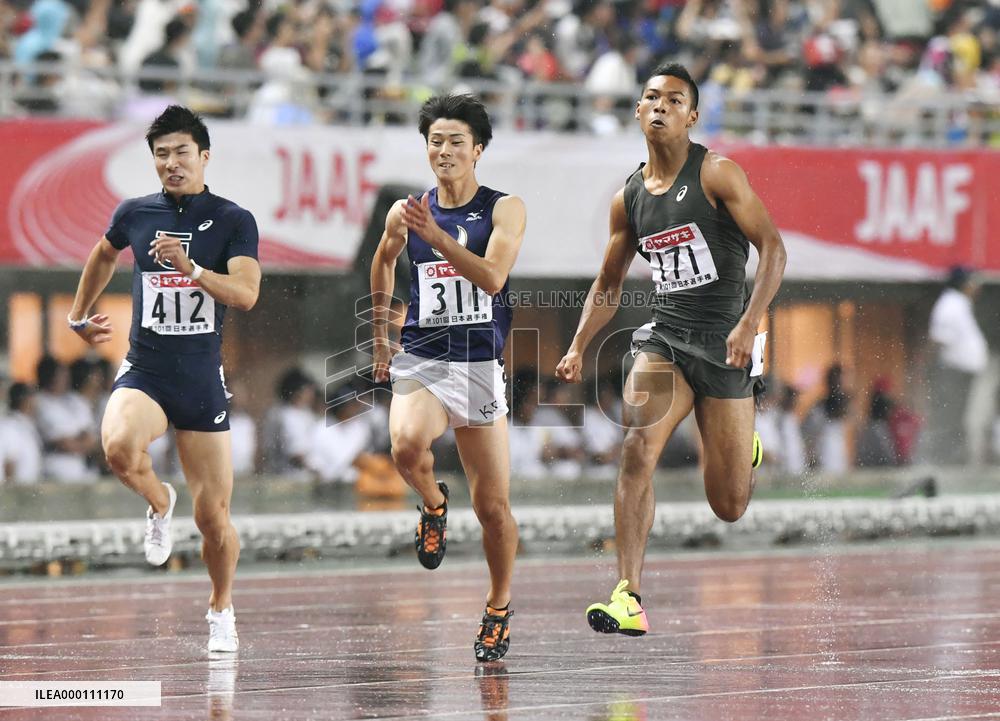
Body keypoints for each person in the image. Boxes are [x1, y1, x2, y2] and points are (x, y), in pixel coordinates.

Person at [555, 63, 786, 636]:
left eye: (674, 100)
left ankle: (744, 445)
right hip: (666, 338)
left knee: (729, 505)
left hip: (728, 343)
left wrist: (750, 322)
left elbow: (774, 251)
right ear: (637, 111)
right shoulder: (628, 198)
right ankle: (627, 595)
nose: (660, 106)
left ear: (692, 116)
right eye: (651, 97)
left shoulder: (718, 174)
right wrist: (579, 344)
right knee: (637, 445)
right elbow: (607, 284)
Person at [66, 105, 261, 653]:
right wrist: (79, 315)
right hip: (147, 371)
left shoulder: (232, 219)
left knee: (214, 518)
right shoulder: (135, 212)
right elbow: (104, 254)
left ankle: (221, 607)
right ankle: (158, 502)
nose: (171, 163)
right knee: (119, 448)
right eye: (160, 154)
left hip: (200, 381)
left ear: (204, 155)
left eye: (181, 152)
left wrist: (191, 268)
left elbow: (247, 295)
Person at [370, 94, 526, 661]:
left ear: (477, 149)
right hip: (423, 356)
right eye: (435, 141)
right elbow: (385, 258)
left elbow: (491, 278)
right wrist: (385, 333)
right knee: (406, 445)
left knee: (493, 510)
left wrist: (436, 237)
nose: (444, 151)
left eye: (456, 141)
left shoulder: (504, 209)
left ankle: (498, 606)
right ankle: (434, 505)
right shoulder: (404, 212)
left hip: (480, 367)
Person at [926, 265, 987, 466]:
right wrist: (929, 369)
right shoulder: (950, 304)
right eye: (972, 282)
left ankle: (953, 460)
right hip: (952, 373)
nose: (976, 287)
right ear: (963, 284)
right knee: (949, 417)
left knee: (957, 417)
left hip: (961, 372)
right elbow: (937, 340)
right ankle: (943, 461)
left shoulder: (960, 304)